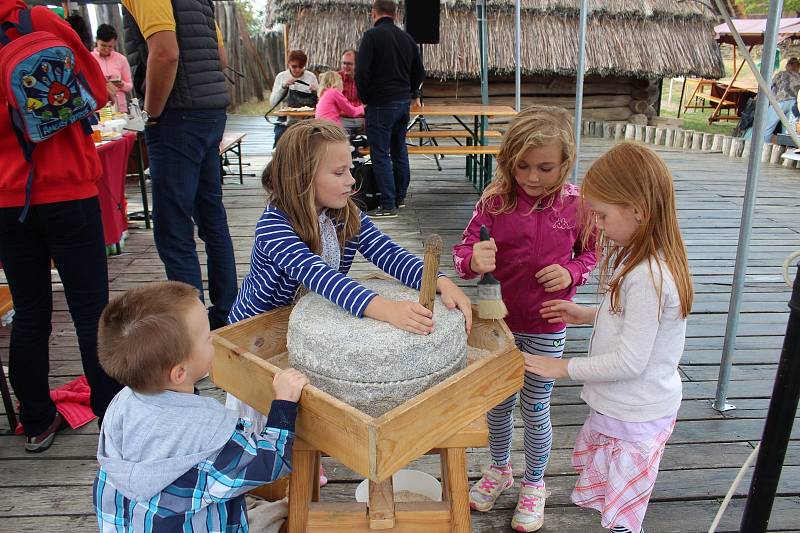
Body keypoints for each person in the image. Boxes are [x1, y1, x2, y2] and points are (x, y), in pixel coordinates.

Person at [226, 119, 472, 422]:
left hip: (307, 330)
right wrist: (385, 308)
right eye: (339, 172)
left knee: (302, 417)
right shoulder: (274, 225)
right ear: (301, 178)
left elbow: (388, 252)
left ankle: (304, 465)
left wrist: (439, 280)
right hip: (258, 337)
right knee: (260, 416)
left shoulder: (345, 213)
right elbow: (320, 276)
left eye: (350, 169)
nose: (352, 181)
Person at [525, 142, 693, 533]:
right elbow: (635, 323)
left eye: (601, 215)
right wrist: (586, 314)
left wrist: (563, 367)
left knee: (622, 515)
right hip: (633, 408)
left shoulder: (646, 277)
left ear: (636, 208)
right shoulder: (648, 261)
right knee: (616, 504)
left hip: (635, 413)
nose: (596, 225)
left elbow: (629, 361)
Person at [452, 106, 597, 532]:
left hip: (548, 322)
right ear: (509, 160)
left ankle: (535, 483)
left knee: (535, 407)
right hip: (497, 323)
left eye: (546, 168)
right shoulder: (494, 202)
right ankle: (499, 469)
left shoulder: (577, 205)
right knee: (497, 405)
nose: (533, 177)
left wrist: (572, 272)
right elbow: (463, 254)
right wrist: (473, 260)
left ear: (566, 163)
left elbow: (592, 253)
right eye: (524, 167)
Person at [0, 0, 121, 453]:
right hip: (69, 188)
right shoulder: (39, 21)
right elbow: (97, 91)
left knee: (30, 312)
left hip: (7, 199)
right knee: (91, 309)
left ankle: (35, 420)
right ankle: (113, 417)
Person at [93, 281, 308, 532]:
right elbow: (272, 460)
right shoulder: (207, 437)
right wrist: (283, 403)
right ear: (179, 373)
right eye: (207, 337)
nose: (214, 339)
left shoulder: (122, 403)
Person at [122, 0, 238, 330]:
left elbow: (165, 53)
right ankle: (228, 312)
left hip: (176, 116)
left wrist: (151, 114)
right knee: (211, 215)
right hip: (211, 110)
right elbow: (221, 58)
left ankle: (193, 328)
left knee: (173, 228)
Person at [355, 0, 424, 218]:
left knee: (380, 154)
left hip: (380, 103)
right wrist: (411, 92)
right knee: (399, 150)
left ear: (374, 13)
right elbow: (420, 72)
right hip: (403, 103)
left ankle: (388, 204)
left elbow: (362, 72)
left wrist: (365, 98)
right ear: (395, 14)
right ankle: (400, 197)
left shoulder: (371, 36)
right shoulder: (408, 39)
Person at [269, 49, 318, 148]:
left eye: (301, 67)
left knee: (313, 139)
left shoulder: (311, 77)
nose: (297, 70)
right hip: (285, 118)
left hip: (307, 118)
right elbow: (273, 103)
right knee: (280, 138)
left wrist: (316, 91)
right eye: (294, 66)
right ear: (288, 64)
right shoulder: (281, 77)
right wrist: (283, 87)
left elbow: (320, 102)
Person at [745, 56, 800, 141]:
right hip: (794, 103)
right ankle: (787, 148)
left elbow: (768, 86)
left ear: (788, 65)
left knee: (767, 127)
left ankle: (762, 145)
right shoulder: (798, 76)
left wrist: (757, 97)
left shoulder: (781, 74)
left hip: (780, 101)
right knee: (789, 131)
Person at [91, 24, 133, 113]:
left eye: (110, 46)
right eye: (103, 45)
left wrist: (121, 84)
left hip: (120, 109)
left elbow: (129, 86)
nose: (106, 49)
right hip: (99, 109)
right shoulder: (89, 58)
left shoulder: (121, 59)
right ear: (97, 41)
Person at [338, 48, 364, 133]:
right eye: (344, 63)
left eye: (349, 64)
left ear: (357, 64)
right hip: (343, 119)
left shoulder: (366, 78)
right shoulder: (337, 78)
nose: (345, 66)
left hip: (363, 120)